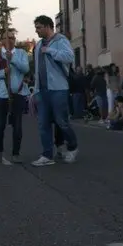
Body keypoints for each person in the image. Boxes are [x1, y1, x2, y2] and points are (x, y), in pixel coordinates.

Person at [31, 15, 78, 166]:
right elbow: (37, 69)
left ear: (47, 26)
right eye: (36, 28)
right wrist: (35, 90)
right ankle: (47, 155)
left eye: (39, 27)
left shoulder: (60, 40)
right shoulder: (38, 45)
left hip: (58, 88)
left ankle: (72, 147)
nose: (36, 30)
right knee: (43, 123)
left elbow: (69, 57)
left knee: (61, 121)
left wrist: (51, 51)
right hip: (42, 90)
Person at [0, 31, 30, 163]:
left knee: (17, 125)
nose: (10, 40)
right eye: (7, 38)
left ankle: (16, 153)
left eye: (12, 37)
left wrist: (13, 59)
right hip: (1, 95)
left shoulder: (21, 53)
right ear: (2, 40)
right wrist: (2, 72)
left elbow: (26, 69)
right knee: (0, 126)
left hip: (18, 94)